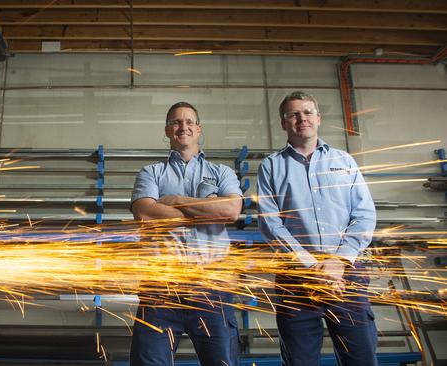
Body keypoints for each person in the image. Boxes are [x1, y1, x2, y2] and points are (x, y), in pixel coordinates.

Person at [257, 91, 378, 365]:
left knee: (361, 357)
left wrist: (337, 261)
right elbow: (271, 223)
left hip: (346, 275)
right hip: (296, 278)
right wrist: (311, 266)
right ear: (283, 123)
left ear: (319, 118)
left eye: (308, 112)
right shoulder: (271, 167)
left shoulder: (344, 161)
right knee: (300, 360)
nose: (302, 118)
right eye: (293, 114)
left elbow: (364, 214)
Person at [129, 101, 243, 366]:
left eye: (189, 121)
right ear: (167, 131)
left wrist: (174, 200)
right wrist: (205, 210)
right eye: (176, 122)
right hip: (160, 288)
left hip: (211, 287)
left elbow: (230, 211)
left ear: (199, 129)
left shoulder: (221, 172)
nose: (183, 126)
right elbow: (145, 214)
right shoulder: (151, 173)